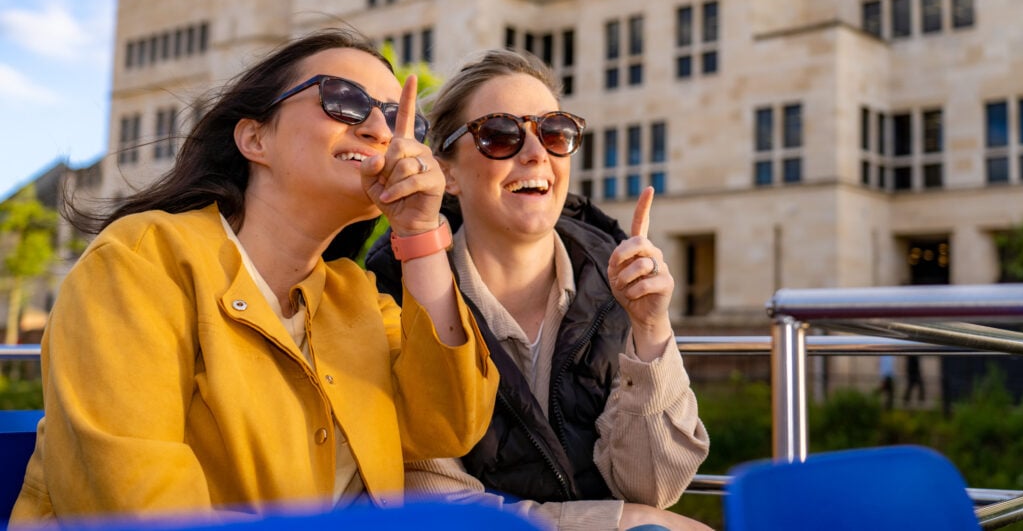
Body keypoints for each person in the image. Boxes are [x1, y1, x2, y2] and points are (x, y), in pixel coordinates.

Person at [10, 27, 498, 526]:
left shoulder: (355, 296)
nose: (381, 129)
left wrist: (420, 233)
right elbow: (138, 508)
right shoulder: (141, 260)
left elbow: (447, 424)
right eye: (345, 100)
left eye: (402, 120)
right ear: (254, 137)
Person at [366, 49, 711, 531]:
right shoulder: (389, 295)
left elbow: (652, 487)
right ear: (448, 174)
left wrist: (651, 328)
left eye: (555, 132)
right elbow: (440, 507)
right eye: (500, 135)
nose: (536, 153)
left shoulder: (615, 283)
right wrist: (616, 521)